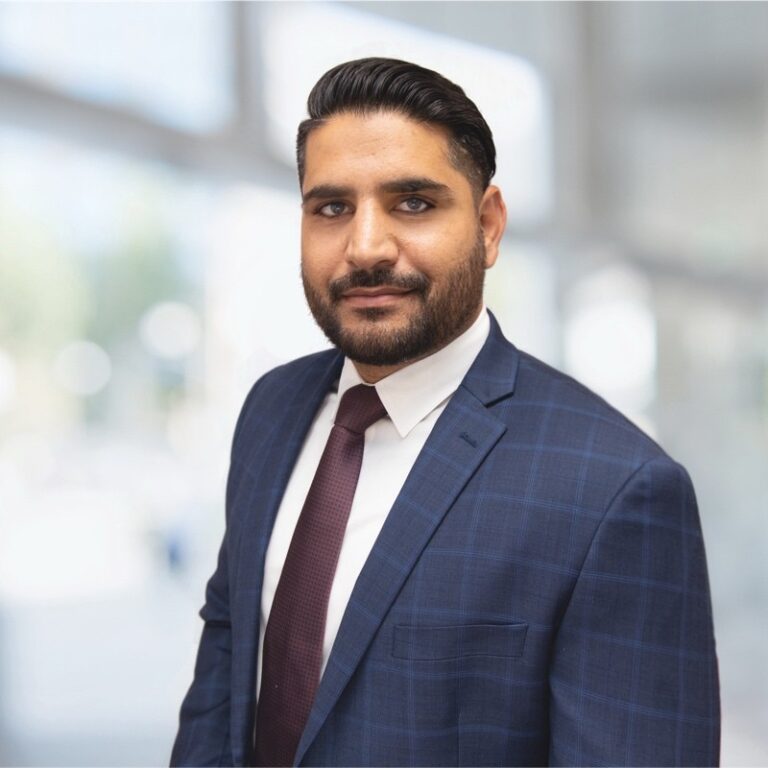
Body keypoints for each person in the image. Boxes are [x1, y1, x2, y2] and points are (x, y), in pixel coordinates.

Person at [171, 58, 719, 767]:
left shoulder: (615, 489)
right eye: (332, 208)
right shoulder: (270, 411)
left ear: (488, 226)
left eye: (413, 203)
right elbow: (222, 692)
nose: (366, 247)